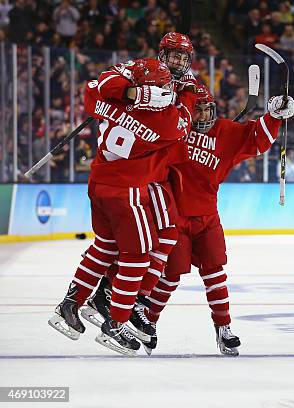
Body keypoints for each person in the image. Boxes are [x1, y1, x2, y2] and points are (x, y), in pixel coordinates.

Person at [48, 58, 195, 357]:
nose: (168, 91)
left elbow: (98, 83)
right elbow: (185, 121)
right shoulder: (164, 121)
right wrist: (187, 89)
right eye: (163, 88)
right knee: (139, 254)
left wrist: (130, 92)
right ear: (152, 92)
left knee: (104, 247)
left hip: (99, 181)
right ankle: (116, 322)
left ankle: (69, 305)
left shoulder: (104, 98)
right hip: (126, 191)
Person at [142, 86, 294, 356]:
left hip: (207, 217)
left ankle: (223, 329)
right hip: (173, 218)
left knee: (214, 273)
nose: (202, 114)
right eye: (197, 109)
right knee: (170, 276)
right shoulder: (174, 130)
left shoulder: (225, 132)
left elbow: (256, 138)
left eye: (206, 109)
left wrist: (274, 115)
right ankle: (147, 324)